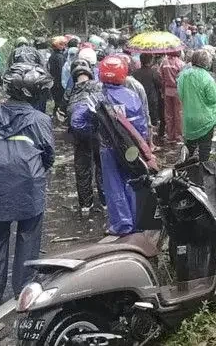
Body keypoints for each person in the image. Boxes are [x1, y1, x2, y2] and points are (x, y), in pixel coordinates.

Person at [0, 63, 54, 304]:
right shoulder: (39, 120)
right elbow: (48, 155)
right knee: (28, 237)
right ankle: (24, 288)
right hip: (28, 188)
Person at [74, 56, 149, 235]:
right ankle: (137, 221)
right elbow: (142, 125)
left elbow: (77, 121)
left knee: (114, 185)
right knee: (133, 180)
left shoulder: (96, 97)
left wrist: (95, 128)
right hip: (131, 147)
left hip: (108, 147)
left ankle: (122, 224)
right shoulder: (132, 95)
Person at [66, 60, 105, 213]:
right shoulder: (99, 86)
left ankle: (85, 204)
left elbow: (64, 114)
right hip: (98, 133)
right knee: (101, 165)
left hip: (79, 136)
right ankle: (104, 200)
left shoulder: (70, 91)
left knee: (82, 168)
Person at [177, 50, 216, 162]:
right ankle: (202, 171)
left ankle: (185, 170)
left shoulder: (183, 76)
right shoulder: (208, 78)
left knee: (189, 147)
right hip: (206, 120)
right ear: (207, 62)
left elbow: (181, 95)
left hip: (189, 119)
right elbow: (213, 99)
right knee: (204, 149)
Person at [134, 53, 164, 142]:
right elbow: (159, 84)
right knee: (152, 119)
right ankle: (151, 141)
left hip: (138, 100)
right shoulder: (154, 73)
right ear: (150, 61)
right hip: (151, 99)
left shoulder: (135, 73)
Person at [159, 50, 185, 144]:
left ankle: (170, 136)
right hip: (177, 90)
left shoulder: (164, 62)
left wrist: (162, 90)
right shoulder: (181, 63)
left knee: (169, 114)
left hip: (167, 90)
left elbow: (161, 77)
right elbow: (183, 79)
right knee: (178, 114)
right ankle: (178, 136)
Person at [47, 36, 67, 113]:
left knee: (57, 101)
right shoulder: (59, 57)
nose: (64, 46)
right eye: (63, 44)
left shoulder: (53, 55)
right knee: (60, 101)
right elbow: (61, 70)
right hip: (59, 82)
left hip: (54, 80)